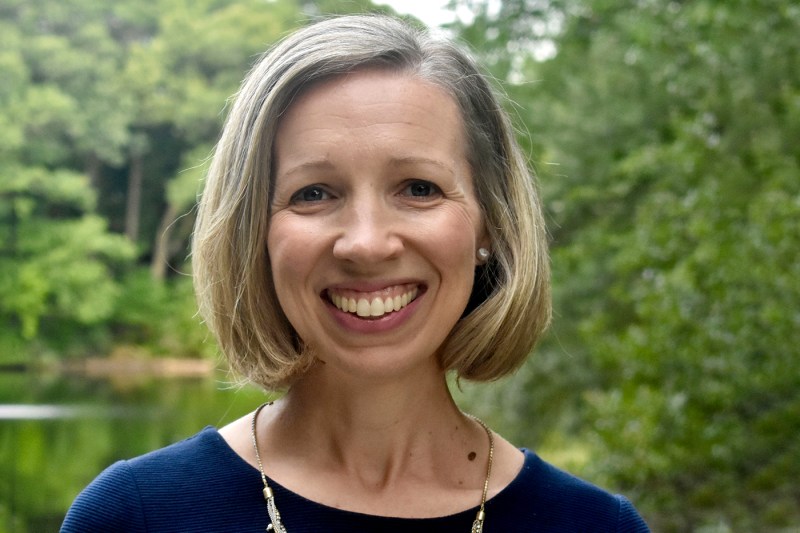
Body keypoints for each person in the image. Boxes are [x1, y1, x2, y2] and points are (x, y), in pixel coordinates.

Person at [61, 14, 649, 532]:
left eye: (419, 188)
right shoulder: (133, 516)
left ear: (489, 225)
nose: (366, 243)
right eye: (313, 193)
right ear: (254, 233)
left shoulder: (597, 526)